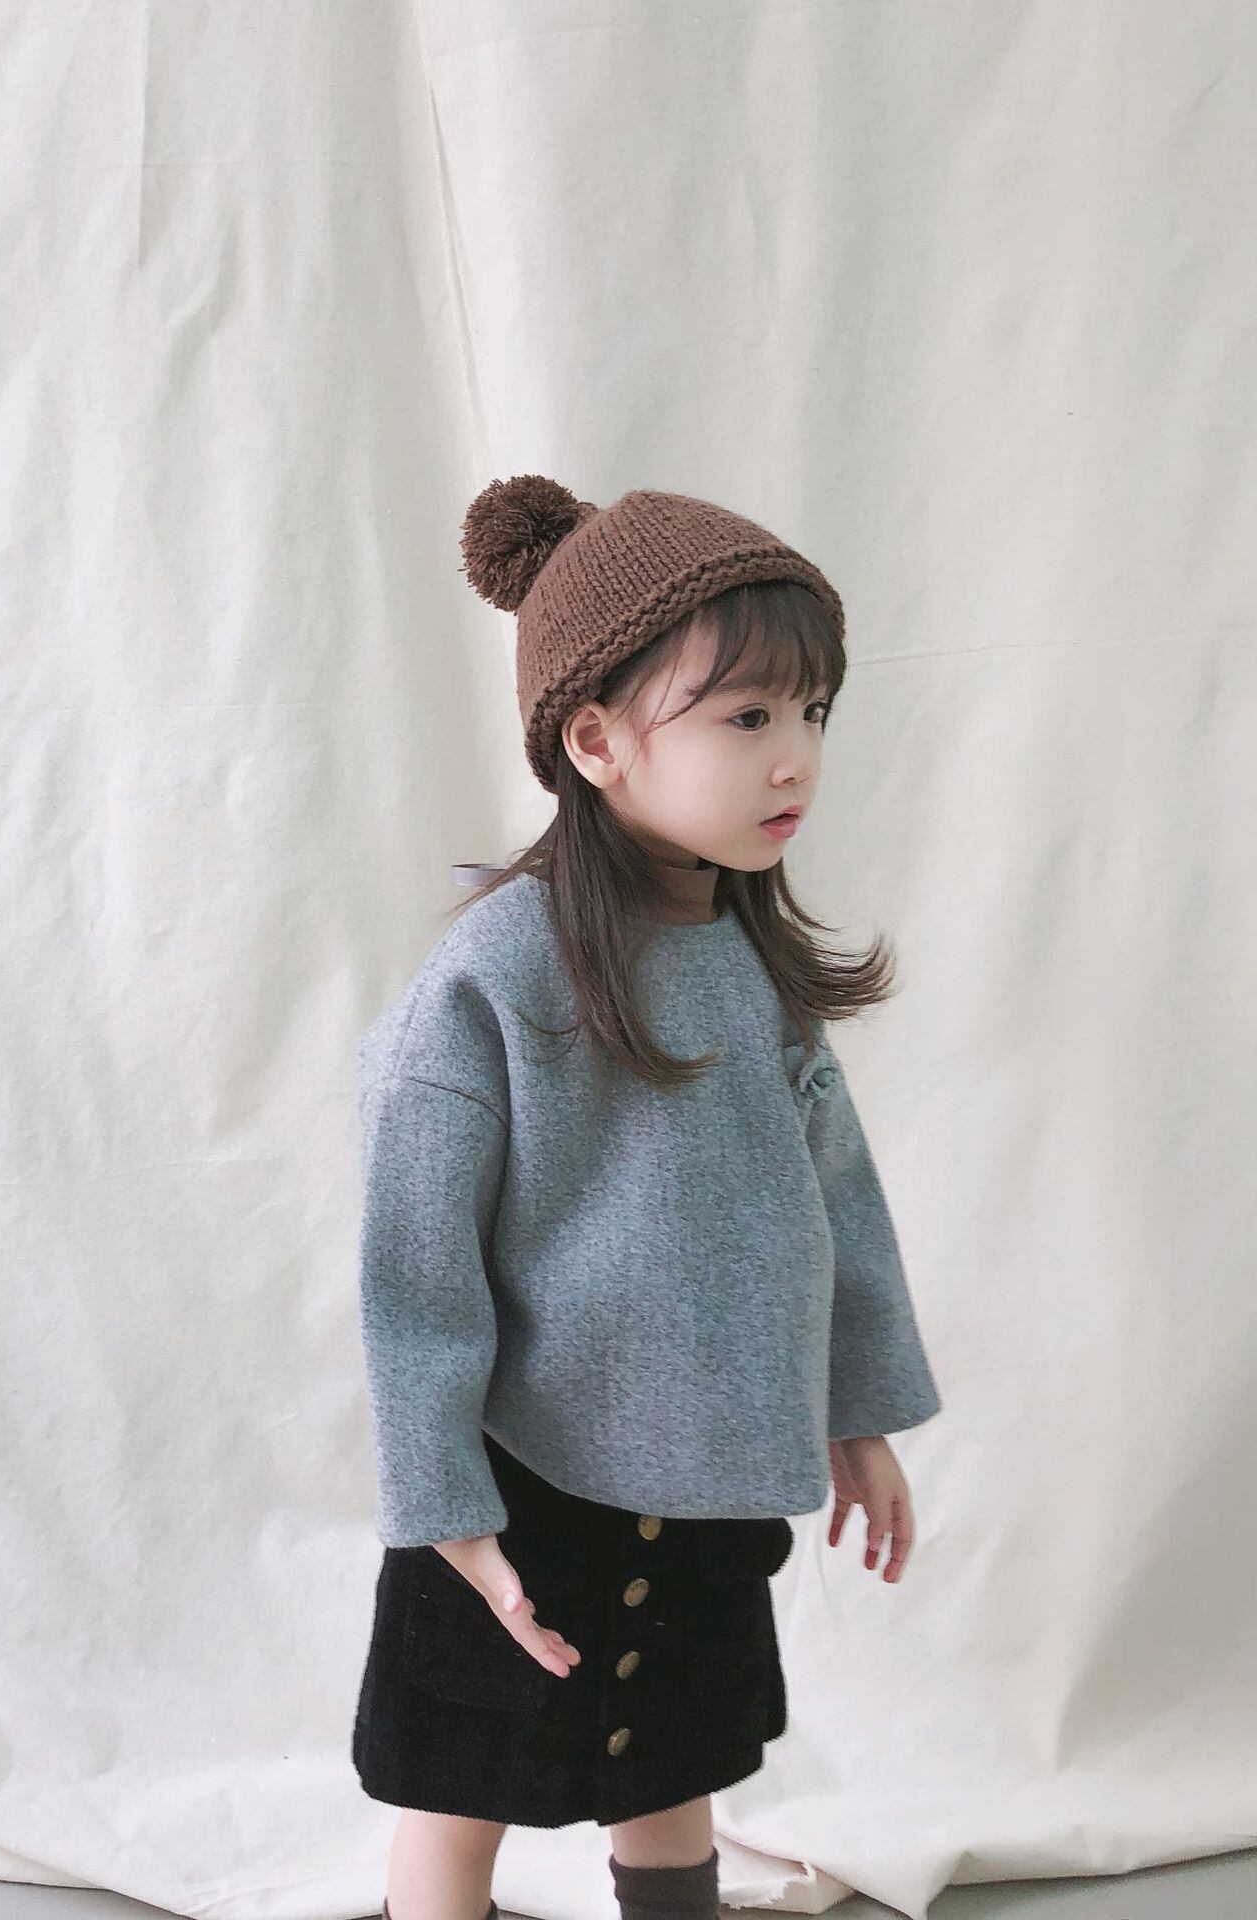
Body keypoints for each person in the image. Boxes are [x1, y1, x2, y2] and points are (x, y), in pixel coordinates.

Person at [349, 481, 945, 1920]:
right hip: (524, 1483)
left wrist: (856, 1410)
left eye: (812, 711)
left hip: (707, 1472)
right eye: (746, 716)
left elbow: (834, 1201)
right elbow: (414, 1271)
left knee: (674, 1768)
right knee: (461, 1789)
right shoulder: (494, 978)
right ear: (596, 740)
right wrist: (448, 1512)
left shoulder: (751, 960)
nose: (795, 756)